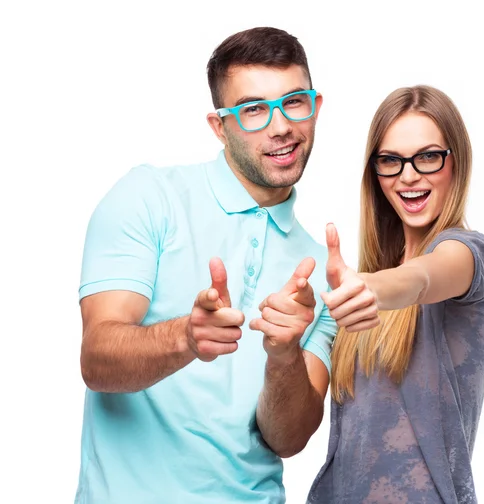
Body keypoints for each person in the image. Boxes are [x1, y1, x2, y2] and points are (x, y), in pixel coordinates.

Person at [74, 27, 377, 504]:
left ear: (315, 106)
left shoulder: (323, 269)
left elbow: (288, 438)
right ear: (220, 126)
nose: (280, 126)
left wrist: (283, 355)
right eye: (254, 109)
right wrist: (185, 338)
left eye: (294, 102)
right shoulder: (149, 197)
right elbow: (96, 360)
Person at [308, 85, 484, 503]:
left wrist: (373, 288)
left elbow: (423, 278)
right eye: (391, 161)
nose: (408, 175)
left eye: (428, 156)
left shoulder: (466, 253)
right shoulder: (362, 286)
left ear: (457, 161)